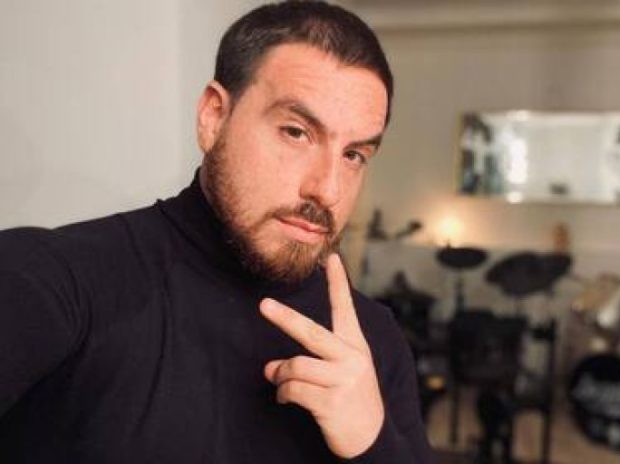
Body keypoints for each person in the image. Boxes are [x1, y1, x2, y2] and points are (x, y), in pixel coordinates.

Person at [0, 1, 431, 463]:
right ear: (213, 117)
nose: (327, 189)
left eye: (354, 155)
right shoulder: (56, 279)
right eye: (295, 132)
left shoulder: (371, 341)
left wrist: (373, 443)